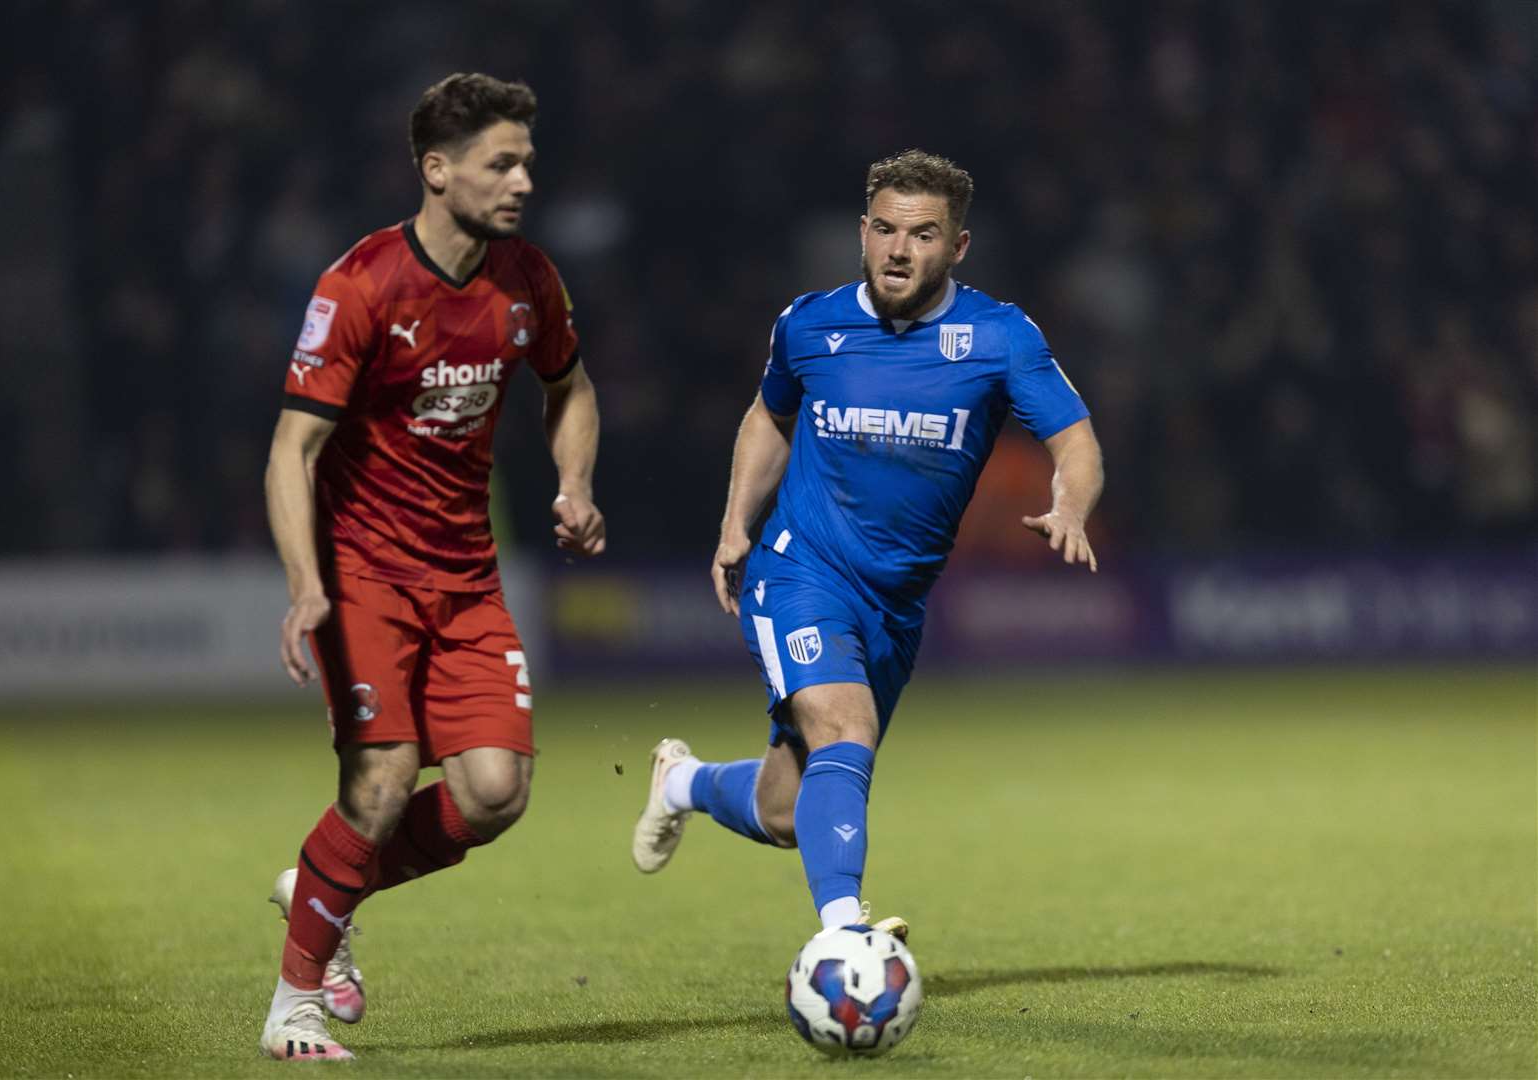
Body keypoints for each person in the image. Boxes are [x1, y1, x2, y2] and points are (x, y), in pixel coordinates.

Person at [632, 150, 1102, 942]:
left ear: (957, 248)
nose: (897, 250)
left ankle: (682, 782)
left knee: (788, 811)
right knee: (847, 732)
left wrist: (1070, 506)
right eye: (884, 229)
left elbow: (1075, 439)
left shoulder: (998, 337)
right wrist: (735, 525)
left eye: (921, 235)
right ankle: (845, 942)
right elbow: (768, 416)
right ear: (861, 231)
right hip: (800, 567)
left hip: (895, 605)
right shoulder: (810, 324)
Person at [260, 72, 604, 1061]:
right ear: (437, 170)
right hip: (364, 572)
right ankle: (294, 1006)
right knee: (384, 776)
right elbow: (292, 448)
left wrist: (574, 483)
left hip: (467, 578)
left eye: (528, 161)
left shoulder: (528, 280)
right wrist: (306, 586)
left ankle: (326, 888)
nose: (524, 180)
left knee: (496, 794)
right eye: (503, 162)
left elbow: (571, 386)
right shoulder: (362, 285)